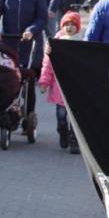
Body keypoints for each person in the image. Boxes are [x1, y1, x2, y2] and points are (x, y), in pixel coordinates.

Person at [38, 11, 81, 154]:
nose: (69, 27)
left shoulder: (82, 42)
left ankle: (75, 141)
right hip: (59, 87)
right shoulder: (55, 43)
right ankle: (62, 132)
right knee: (61, 116)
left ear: (78, 27)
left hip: (76, 88)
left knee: (76, 118)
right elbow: (48, 64)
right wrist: (44, 82)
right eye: (66, 24)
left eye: (73, 24)